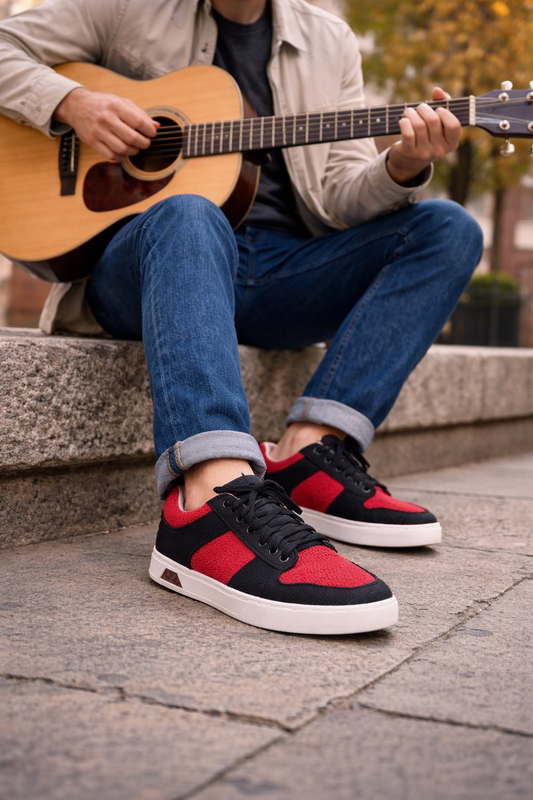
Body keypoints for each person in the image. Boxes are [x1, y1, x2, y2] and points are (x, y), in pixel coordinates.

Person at [0, 0, 483, 635]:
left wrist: (402, 166)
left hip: (281, 274)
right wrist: (69, 102)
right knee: (191, 211)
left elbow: (341, 195)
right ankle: (207, 498)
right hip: (151, 265)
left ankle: (308, 451)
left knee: (447, 226)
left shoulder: (328, 39)